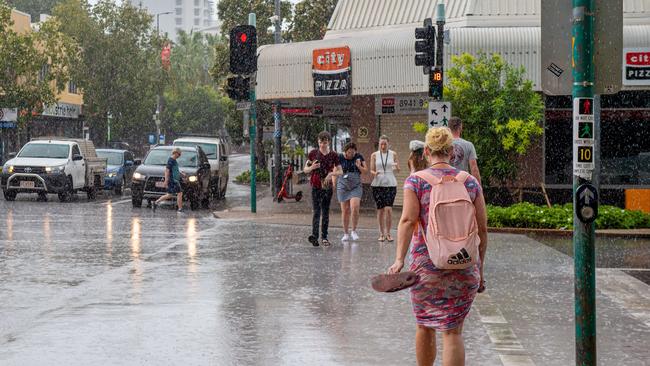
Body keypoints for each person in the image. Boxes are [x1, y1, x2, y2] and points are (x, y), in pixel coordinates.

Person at [388, 127, 488, 366]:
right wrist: (480, 270)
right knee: (453, 332)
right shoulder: (470, 182)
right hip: (463, 265)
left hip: (426, 268)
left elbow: (408, 220)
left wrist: (399, 259)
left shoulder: (416, 181)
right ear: (453, 152)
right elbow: (482, 230)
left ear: (426, 152)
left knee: (424, 325)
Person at [303, 131, 341, 247]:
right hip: (315, 185)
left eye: (324, 143)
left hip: (327, 186)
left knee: (325, 211)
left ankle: (324, 237)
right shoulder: (313, 154)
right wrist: (312, 167)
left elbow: (340, 170)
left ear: (328, 142)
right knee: (316, 211)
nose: (322, 145)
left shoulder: (334, 155)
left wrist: (331, 174)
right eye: (320, 142)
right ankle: (315, 236)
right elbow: (305, 169)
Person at [369, 135, 400, 242]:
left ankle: (389, 233)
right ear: (379, 144)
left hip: (390, 183)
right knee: (380, 210)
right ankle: (381, 233)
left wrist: (396, 167)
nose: (383, 146)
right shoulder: (374, 155)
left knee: (389, 209)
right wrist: (375, 172)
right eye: (381, 144)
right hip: (378, 184)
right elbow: (371, 170)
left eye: (385, 144)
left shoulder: (393, 154)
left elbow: (398, 169)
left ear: (388, 144)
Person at [335, 142, 367, 242]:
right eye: (349, 152)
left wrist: (359, 166)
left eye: (353, 152)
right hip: (343, 185)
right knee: (345, 210)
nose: (351, 155)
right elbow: (335, 170)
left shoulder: (359, 156)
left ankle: (353, 230)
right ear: (345, 152)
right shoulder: (340, 157)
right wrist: (333, 182)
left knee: (355, 207)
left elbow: (365, 171)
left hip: (355, 186)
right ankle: (345, 233)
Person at [448, 117, 482, 185]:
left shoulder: (443, 145)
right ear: (460, 128)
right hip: (464, 184)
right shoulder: (468, 145)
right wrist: (479, 187)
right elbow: (474, 168)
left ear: (448, 128)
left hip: (447, 183)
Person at [153, 147, 187, 213]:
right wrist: (166, 180)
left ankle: (156, 202)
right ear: (176, 153)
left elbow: (175, 170)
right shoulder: (171, 160)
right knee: (180, 193)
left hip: (174, 180)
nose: (179, 156)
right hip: (173, 180)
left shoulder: (174, 160)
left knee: (170, 195)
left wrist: (182, 175)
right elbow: (167, 170)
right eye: (179, 154)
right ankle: (180, 209)